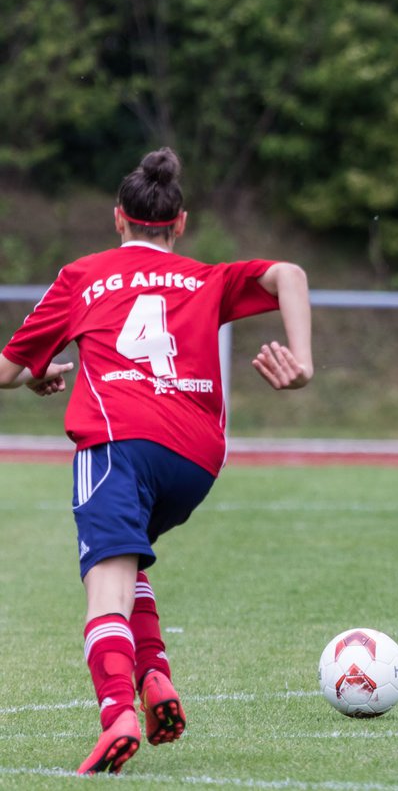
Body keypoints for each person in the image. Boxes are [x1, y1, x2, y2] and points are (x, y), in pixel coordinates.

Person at [0, 148, 314, 773]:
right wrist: (302, 363)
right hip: (194, 462)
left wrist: (34, 376)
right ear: (180, 223)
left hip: (118, 443)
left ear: (119, 219)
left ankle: (117, 712)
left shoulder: (84, 276)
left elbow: (6, 369)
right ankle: (155, 679)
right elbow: (291, 274)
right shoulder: (206, 277)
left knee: (104, 588)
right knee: (128, 558)